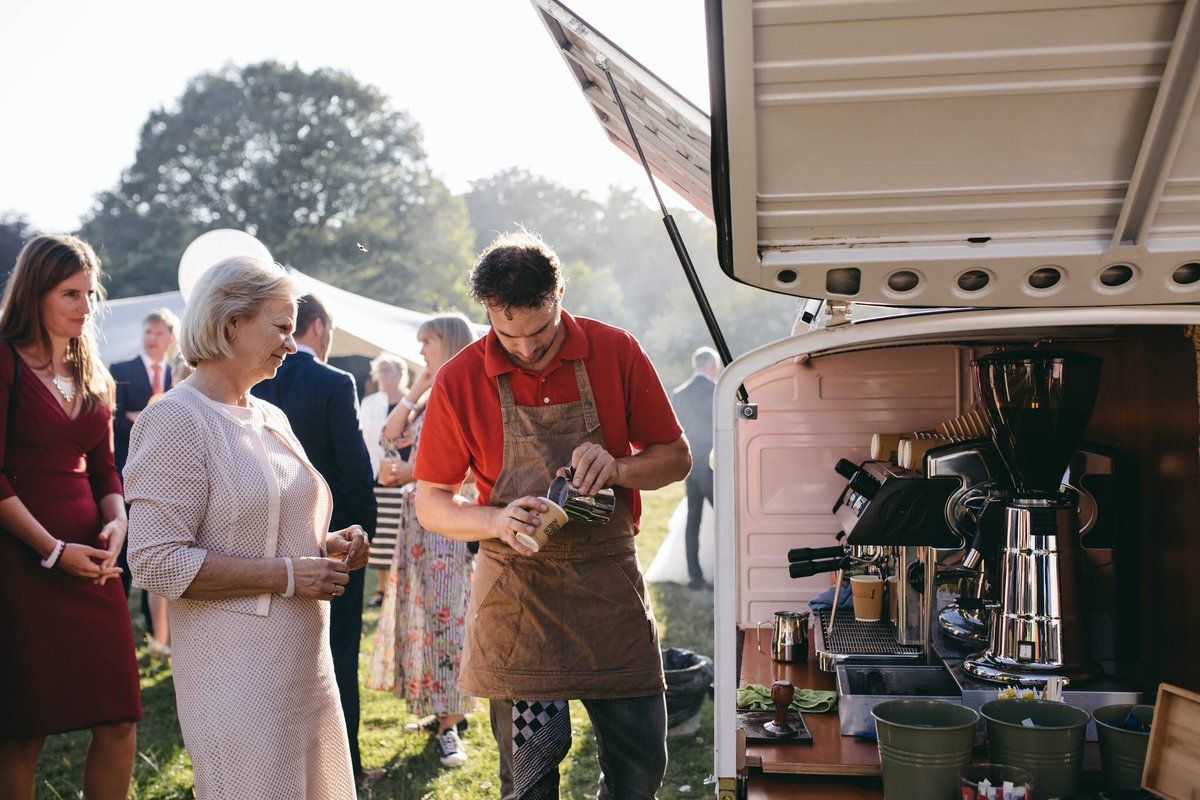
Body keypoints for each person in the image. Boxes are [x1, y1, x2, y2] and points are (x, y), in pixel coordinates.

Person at [413, 230, 691, 798]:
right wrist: (494, 520)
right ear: (488, 311)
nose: (524, 348)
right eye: (505, 332)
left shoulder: (615, 351)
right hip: (520, 602)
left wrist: (615, 467)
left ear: (559, 295)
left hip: (607, 590)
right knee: (532, 777)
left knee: (639, 765)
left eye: (539, 331)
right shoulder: (460, 378)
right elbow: (431, 500)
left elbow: (676, 458)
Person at [125, 256, 369, 799]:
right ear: (230, 323)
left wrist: (325, 546)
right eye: (281, 326)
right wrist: (287, 575)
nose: (291, 341)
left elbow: (260, 528)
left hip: (306, 667)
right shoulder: (175, 420)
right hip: (237, 674)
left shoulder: (269, 415)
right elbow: (155, 560)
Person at [0, 234, 140, 799]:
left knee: (120, 718)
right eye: (70, 293)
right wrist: (52, 550)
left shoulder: (93, 374)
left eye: (90, 293)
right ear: (35, 294)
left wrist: (118, 523)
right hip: (20, 564)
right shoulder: (4, 362)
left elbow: (106, 470)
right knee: (20, 733)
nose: (86, 306)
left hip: (94, 564)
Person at [250, 292, 378, 786]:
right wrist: (363, 531)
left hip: (261, 540)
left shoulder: (247, 381)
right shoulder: (333, 380)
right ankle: (346, 769)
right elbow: (353, 464)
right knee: (338, 654)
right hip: (332, 539)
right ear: (319, 327)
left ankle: (281, 769)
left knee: (274, 656)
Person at [366, 313, 478, 768]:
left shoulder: (469, 390)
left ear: (446, 342)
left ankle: (452, 723)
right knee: (427, 616)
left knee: (449, 617)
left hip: (450, 523)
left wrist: (411, 472)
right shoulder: (433, 392)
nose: (419, 352)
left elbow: (471, 461)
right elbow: (388, 436)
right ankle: (441, 711)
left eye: (426, 343)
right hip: (418, 526)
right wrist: (417, 387)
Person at [111, 307, 178, 656]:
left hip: (165, 479)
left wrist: (141, 416)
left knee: (157, 550)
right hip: (126, 473)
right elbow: (113, 419)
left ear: (170, 337)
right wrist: (148, 419)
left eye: (159, 333)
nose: (152, 339)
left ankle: (159, 634)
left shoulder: (177, 375)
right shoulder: (120, 371)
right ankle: (118, 627)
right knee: (123, 550)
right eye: (147, 332)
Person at [359, 353, 409, 607]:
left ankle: (401, 588)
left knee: (402, 535)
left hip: (406, 477)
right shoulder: (369, 402)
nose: (383, 377)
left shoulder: (412, 401)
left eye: (388, 371)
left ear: (400, 374)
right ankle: (381, 589)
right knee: (381, 536)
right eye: (380, 372)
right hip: (377, 476)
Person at [671, 346, 719, 591]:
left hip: (690, 467)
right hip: (712, 468)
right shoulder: (718, 391)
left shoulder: (679, 394)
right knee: (725, 522)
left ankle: (695, 576)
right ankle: (723, 573)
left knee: (693, 521)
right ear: (711, 366)